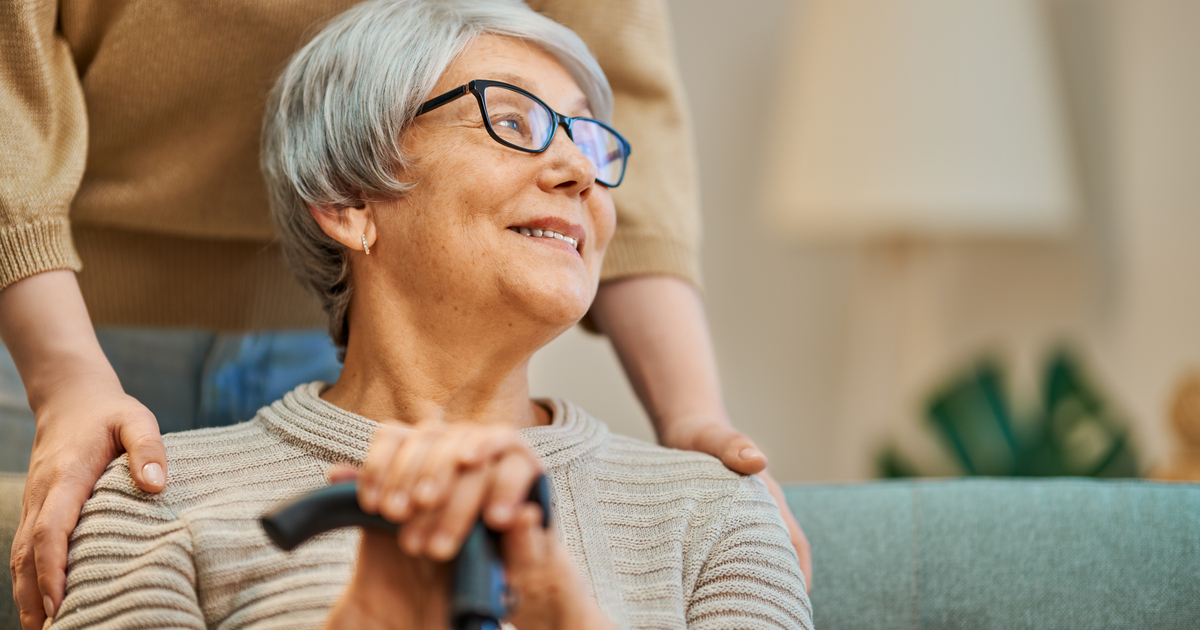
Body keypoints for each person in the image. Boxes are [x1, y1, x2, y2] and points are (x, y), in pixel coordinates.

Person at [0, 0, 810, 626]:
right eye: (514, 121)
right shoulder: (148, 508)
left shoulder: (716, 513)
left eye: (592, 142)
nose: (577, 172)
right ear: (351, 200)